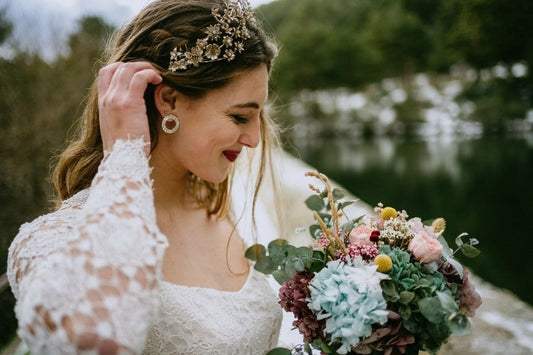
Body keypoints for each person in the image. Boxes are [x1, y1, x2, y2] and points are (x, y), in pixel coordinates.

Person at [7, 0, 283, 353]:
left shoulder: (217, 208)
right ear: (169, 99)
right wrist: (124, 153)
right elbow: (80, 343)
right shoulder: (52, 242)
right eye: (240, 117)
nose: (255, 139)